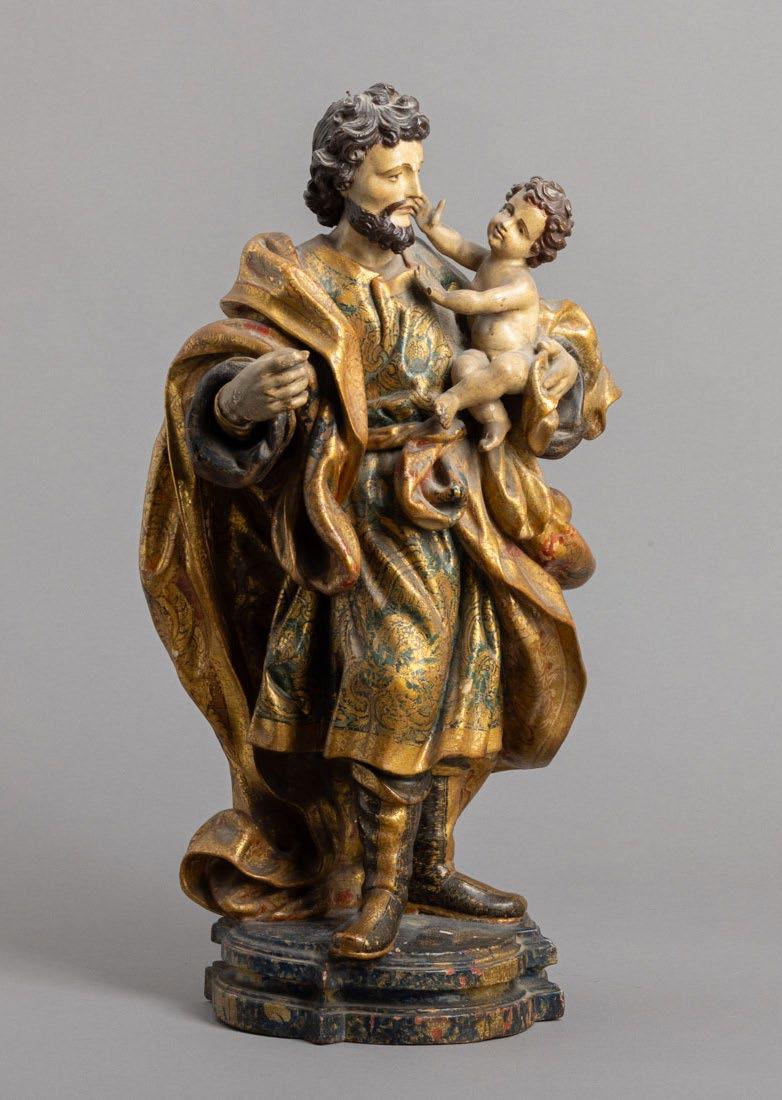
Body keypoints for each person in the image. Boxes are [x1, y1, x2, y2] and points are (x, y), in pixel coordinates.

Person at [140, 83, 620, 960]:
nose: (411, 190)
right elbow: (217, 379)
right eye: (390, 173)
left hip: (461, 516)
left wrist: (554, 368)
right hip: (362, 525)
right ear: (341, 178)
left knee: (464, 689)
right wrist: (242, 401)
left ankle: (428, 865)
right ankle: (378, 888)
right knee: (396, 685)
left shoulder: (442, 277)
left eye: (416, 170)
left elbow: (528, 361)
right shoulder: (302, 282)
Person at [407, 179, 578, 453]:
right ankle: (495, 420)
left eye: (521, 229)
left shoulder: (521, 284)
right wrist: (431, 228)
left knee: (505, 369)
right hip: (483, 354)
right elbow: (458, 246)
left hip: (520, 360)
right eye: (507, 210)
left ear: (534, 249)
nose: (505, 224)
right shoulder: (489, 260)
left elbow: (479, 302)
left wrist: (439, 295)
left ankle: (452, 400)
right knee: (463, 367)